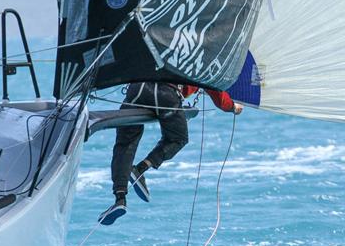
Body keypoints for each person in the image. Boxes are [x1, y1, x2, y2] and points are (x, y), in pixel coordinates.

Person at [98, 82, 243, 225]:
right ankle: (141, 168)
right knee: (178, 138)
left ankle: (120, 199)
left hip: (136, 89)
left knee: (125, 144)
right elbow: (215, 91)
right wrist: (232, 107)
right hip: (165, 94)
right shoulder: (199, 59)